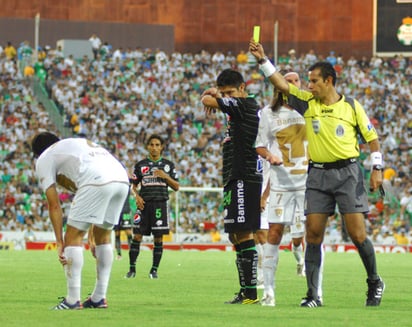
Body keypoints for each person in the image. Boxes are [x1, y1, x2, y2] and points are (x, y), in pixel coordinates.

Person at [249, 39, 385, 307]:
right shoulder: (308, 102)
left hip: (348, 172)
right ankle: (313, 295)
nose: (308, 86)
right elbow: (281, 84)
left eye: (313, 81)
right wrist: (263, 60)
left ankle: (374, 281)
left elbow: (372, 138)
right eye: (308, 81)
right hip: (318, 175)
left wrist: (377, 168)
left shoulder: (352, 107)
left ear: (329, 81)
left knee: (357, 234)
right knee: (312, 234)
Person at [31, 131, 129, 310]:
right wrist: (91, 236)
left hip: (96, 180)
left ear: (37, 153)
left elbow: (54, 205)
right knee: (103, 237)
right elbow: (92, 203)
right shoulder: (73, 147)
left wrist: (60, 242)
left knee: (73, 240)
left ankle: (72, 300)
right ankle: (99, 298)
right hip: (121, 179)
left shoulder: (45, 158)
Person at [201, 68, 262, 304]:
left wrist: (215, 94)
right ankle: (245, 290)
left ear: (243, 89)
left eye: (230, 93)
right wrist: (218, 95)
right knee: (235, 234)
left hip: (244, 175)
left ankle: (251, 293)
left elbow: (207, 99)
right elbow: (212, 99)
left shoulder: (246, 105)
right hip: (233, 176)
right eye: (224, 93)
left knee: (244, 232)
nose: (227, 97)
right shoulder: (234, 108)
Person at [125, 134, 179, 279]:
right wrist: (136, 196)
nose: (154, 148)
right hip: (143, 205)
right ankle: (132, 270)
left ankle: (154, 270)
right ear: (147, 147)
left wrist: (165, 176)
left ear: (161, 147)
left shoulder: (168, 166)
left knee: (158, 239)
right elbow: (133, 186)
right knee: (136, 236)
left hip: (160, 205)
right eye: (152, 145)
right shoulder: (141, 165)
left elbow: (177, 186)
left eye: (157, 145)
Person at [113, 190, 133, 260]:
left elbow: (133, 191)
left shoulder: (127, 184)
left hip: (126, 212)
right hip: (116, 212)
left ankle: (132, 254)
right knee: (117, 234)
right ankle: (119, 254)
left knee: (129, 233)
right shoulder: (114, 186)